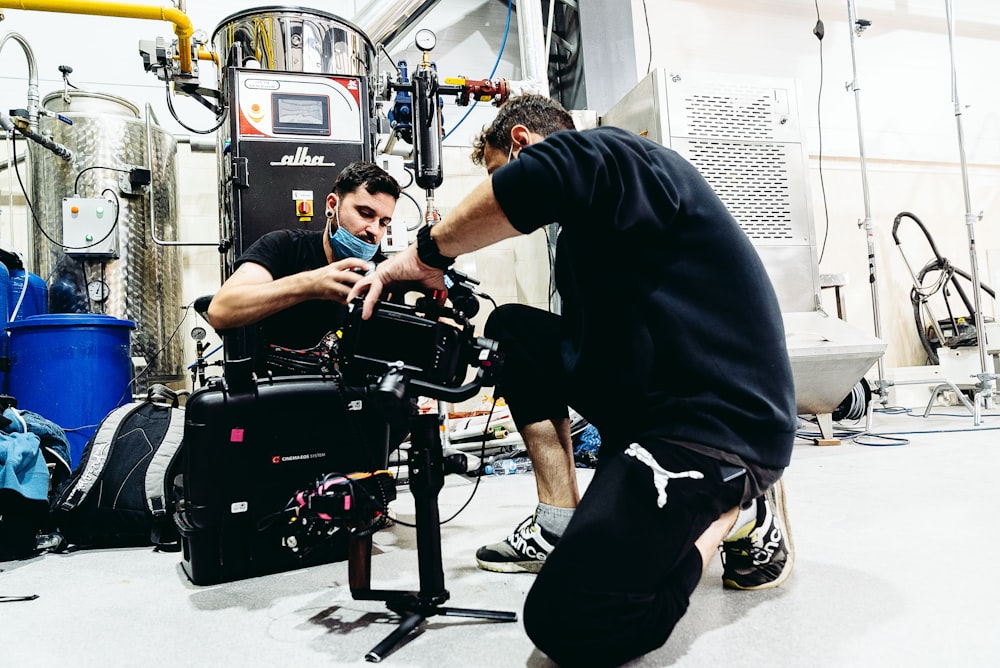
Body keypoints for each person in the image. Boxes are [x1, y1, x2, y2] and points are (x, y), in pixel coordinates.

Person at [349, 94, 797, 667]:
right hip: (649, 400)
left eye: (493, 174)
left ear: (520, 144)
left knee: (570, 620)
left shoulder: (626, 157)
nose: (492, 192)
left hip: (716, 424)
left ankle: (736, 511)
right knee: (512, 328)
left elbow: (546, 175)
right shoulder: (591, 231)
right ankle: (558, 520)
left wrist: (422, 255)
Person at [208, 161, 401, 356]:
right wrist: (309, 285)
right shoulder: (284, 246)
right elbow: (221, 310)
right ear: (333, 205)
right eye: (366, 214)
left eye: (384, 223)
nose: (374, 231)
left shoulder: (384, 274)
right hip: (285, 384)